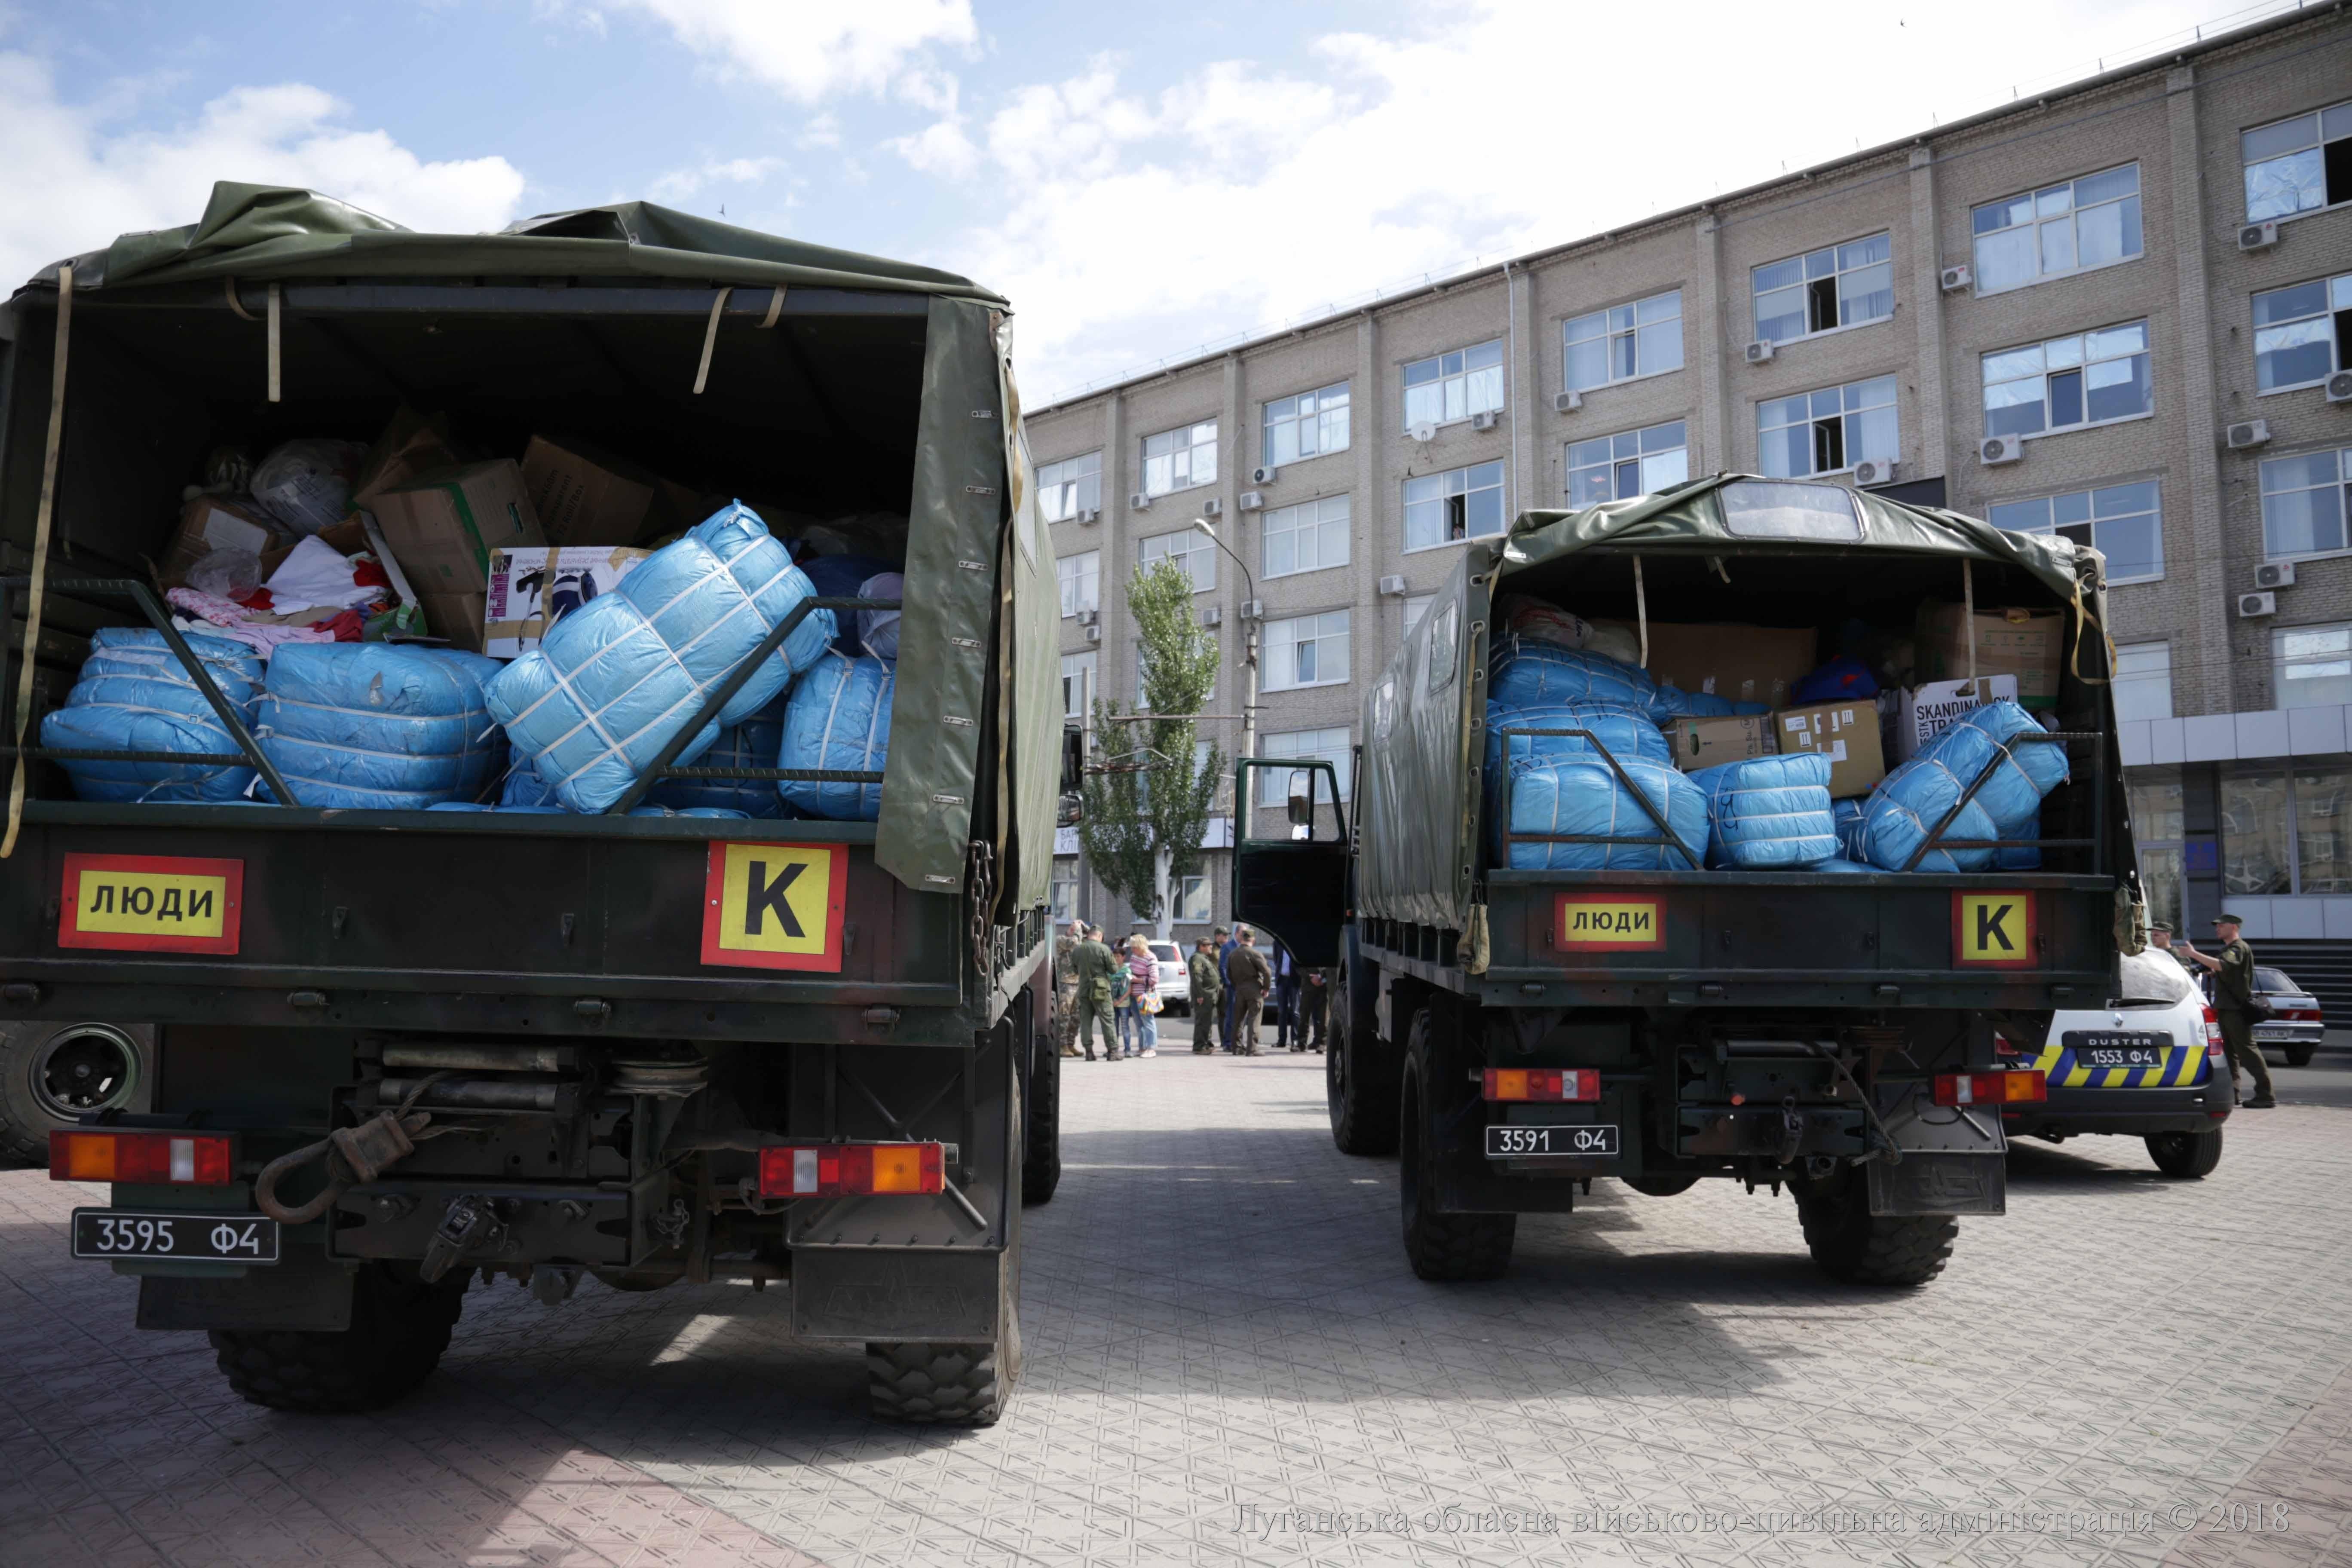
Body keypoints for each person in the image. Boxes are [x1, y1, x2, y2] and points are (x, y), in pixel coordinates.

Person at [2180, 913, 2277, 1108]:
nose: (2217, 929)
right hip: (2225, 1008)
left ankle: (2266, 1095)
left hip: (2235, 1010)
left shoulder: (2238, 948)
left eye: (2221, 925)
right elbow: (2222, 969)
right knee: (2228, 1053)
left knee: (2248, 1052)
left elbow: (2223, 965)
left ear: (2234, 927)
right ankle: (2233, 1094)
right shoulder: (2229, 949)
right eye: (2217, 926)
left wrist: (2193, 954)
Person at [1070, 924, 1123, 1062]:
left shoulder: (1077, 950)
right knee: (1108, 1020)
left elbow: (1074, 970)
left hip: (1084, 990)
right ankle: (1112, 1052)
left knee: (1086, 1021)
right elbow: (1114, 970)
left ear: (1089, 935)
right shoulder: (1104, 949)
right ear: (1100, 936)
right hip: (1101, 991)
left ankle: (1089, 1052)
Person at [1227, 928, 1274, 1056]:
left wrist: (1237, 985)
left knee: (1238, 1020)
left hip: (1239, 989)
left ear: (1242, 939)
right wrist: (1266, 988)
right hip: (1254, 990)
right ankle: (1252, 1049)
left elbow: (1229, 974)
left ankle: (1236, 1048)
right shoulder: (1255, 954)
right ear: (1253, 940)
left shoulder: (1233, 954)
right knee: (1254, 1018)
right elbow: (1267, 972)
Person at [1124, 934, 1160, 1059]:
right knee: (1139, 1023)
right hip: (1134, 994)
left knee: (1148, 1022)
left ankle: (1152, 1048)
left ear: (1141, 947)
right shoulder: (1135, 956)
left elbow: (1154, 979)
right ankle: (1142, 1048)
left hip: (1145, 995)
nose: (1132, 950)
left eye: (1135, 948)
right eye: (1132, 948)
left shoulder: (1150, 958)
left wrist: (1137, 980)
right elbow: (1132, 970)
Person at [1053, 921, 1083, 1058]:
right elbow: (1074, 943)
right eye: (1074, 928)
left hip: (1077, 983)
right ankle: (1062, 1045)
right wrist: (1078, 930)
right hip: (1065, 983)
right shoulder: (1061, 940)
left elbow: (1092, 937)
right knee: (1065, 1016)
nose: (1077, 930)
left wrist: (1083, 929)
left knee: (1076, 1017)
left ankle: (1071, 1044)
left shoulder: (1079, 939)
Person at [1188, 938, 1223, 1055]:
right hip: (1204, 995)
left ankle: (1206, 1044)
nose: (1211, 948)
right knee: (1202, 1022)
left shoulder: (1204, 958)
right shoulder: (1197, 958)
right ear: (1201, 947)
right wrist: (1200, 995)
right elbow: (1197, 977)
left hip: (1209, 995)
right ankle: (1199, 1047)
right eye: (1208, 946)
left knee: (1207, 1021)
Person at [1272, 940, 1302, 1050]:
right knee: (1281, 1011)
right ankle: (1282, 1040)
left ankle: (1295, 1040)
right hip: (1281, 980)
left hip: (1294, 981)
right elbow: (1276, 960)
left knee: (1295, 1011)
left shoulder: (1296, 942)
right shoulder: (1277, 943)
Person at [1216, 925, 1240, 1053]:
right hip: (1232, 987)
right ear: (1237, 934)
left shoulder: (1244, 947)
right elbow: (1223, 967)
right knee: (1230, 1014)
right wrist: (1229, 983)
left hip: (1243, 987)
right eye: (1243, 934)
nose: (1245, 936)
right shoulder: (1228, 947)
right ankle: (1228, 1043)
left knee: (1241, 1015)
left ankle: (1237, 1041)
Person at [1302, 966, 1329, 1053]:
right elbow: (1298, 965)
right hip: (1308, 984)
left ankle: (1321, 1043)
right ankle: (1301, 1043)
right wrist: (1310, 977)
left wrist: (1321, 977)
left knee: (1323, 1017)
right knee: (1304, 1014)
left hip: (1324, 985)